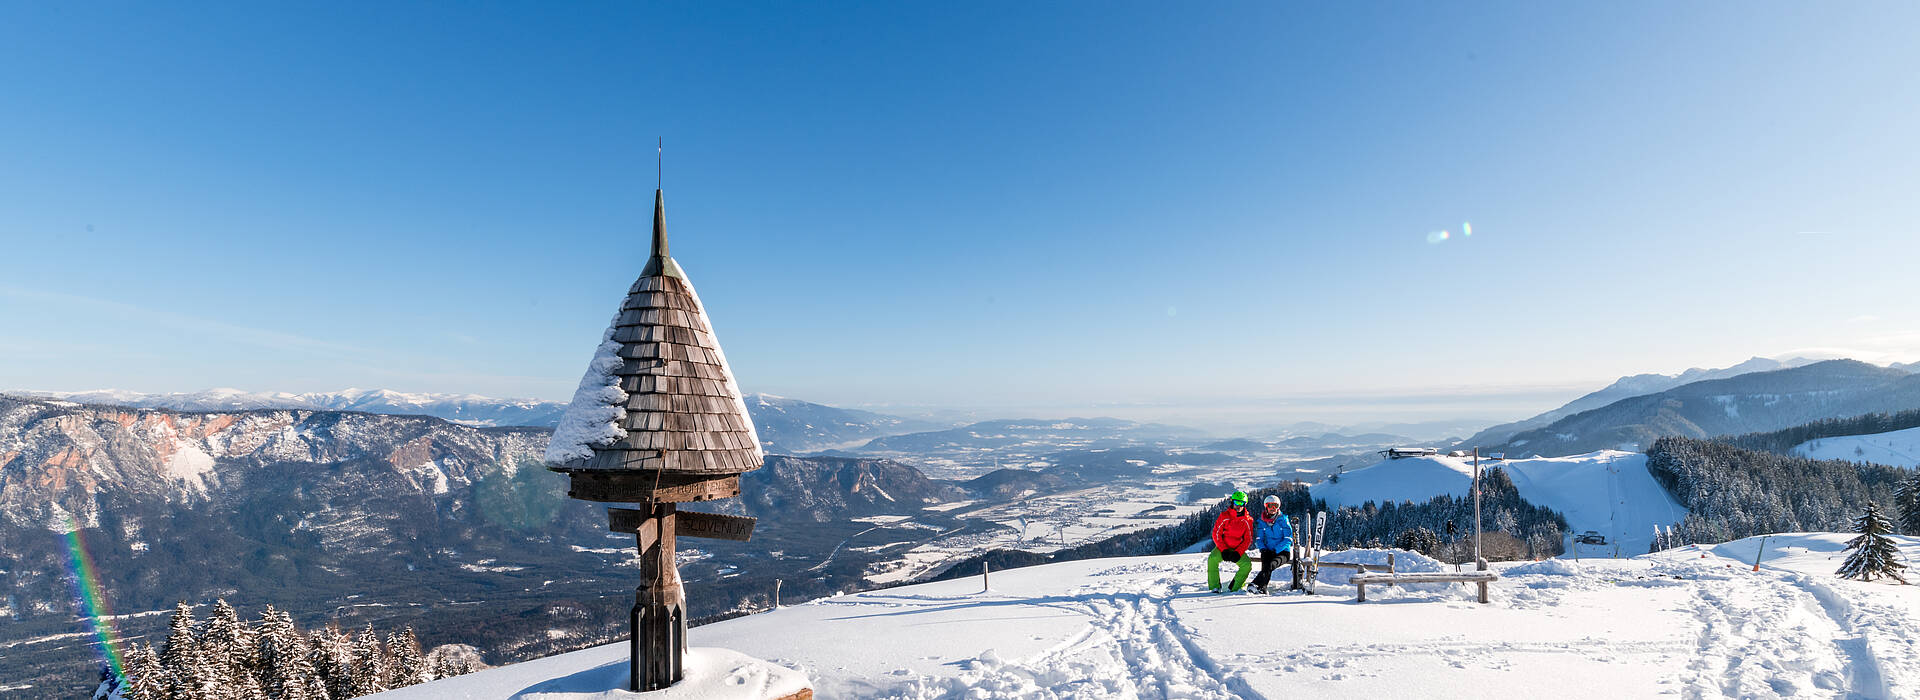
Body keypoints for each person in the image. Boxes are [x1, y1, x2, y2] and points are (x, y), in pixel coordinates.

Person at [1207, 491, 1255, 592]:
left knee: (1247, 565)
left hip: (1237, 549)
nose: (1238, 506)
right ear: (1232, 503)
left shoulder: (1247, 520)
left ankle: (1234, 587)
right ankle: (1215, 586)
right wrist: (1224, 550)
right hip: (1223, 548)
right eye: (1236, 503)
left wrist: (1238, 552)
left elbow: (1248, 539)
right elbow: (1216, 534)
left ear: (1245, 505)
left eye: (1241, 503)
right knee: (1212, 559)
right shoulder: (1224, 516)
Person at [1250, 495, 1294, 593]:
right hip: (1268, 551)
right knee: (1266, 566)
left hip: (1283, 552)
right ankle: (1263, 588)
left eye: (1275, 506)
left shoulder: (1283, 520)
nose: (1273, 509)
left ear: (1278, 507)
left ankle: (1254, 584)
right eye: (1270, 506)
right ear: (1266, 507)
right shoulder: (1262, 522)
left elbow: (1288, 539)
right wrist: (1263, 549)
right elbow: (1259, 538)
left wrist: (1276, 550)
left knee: (1269, 565)